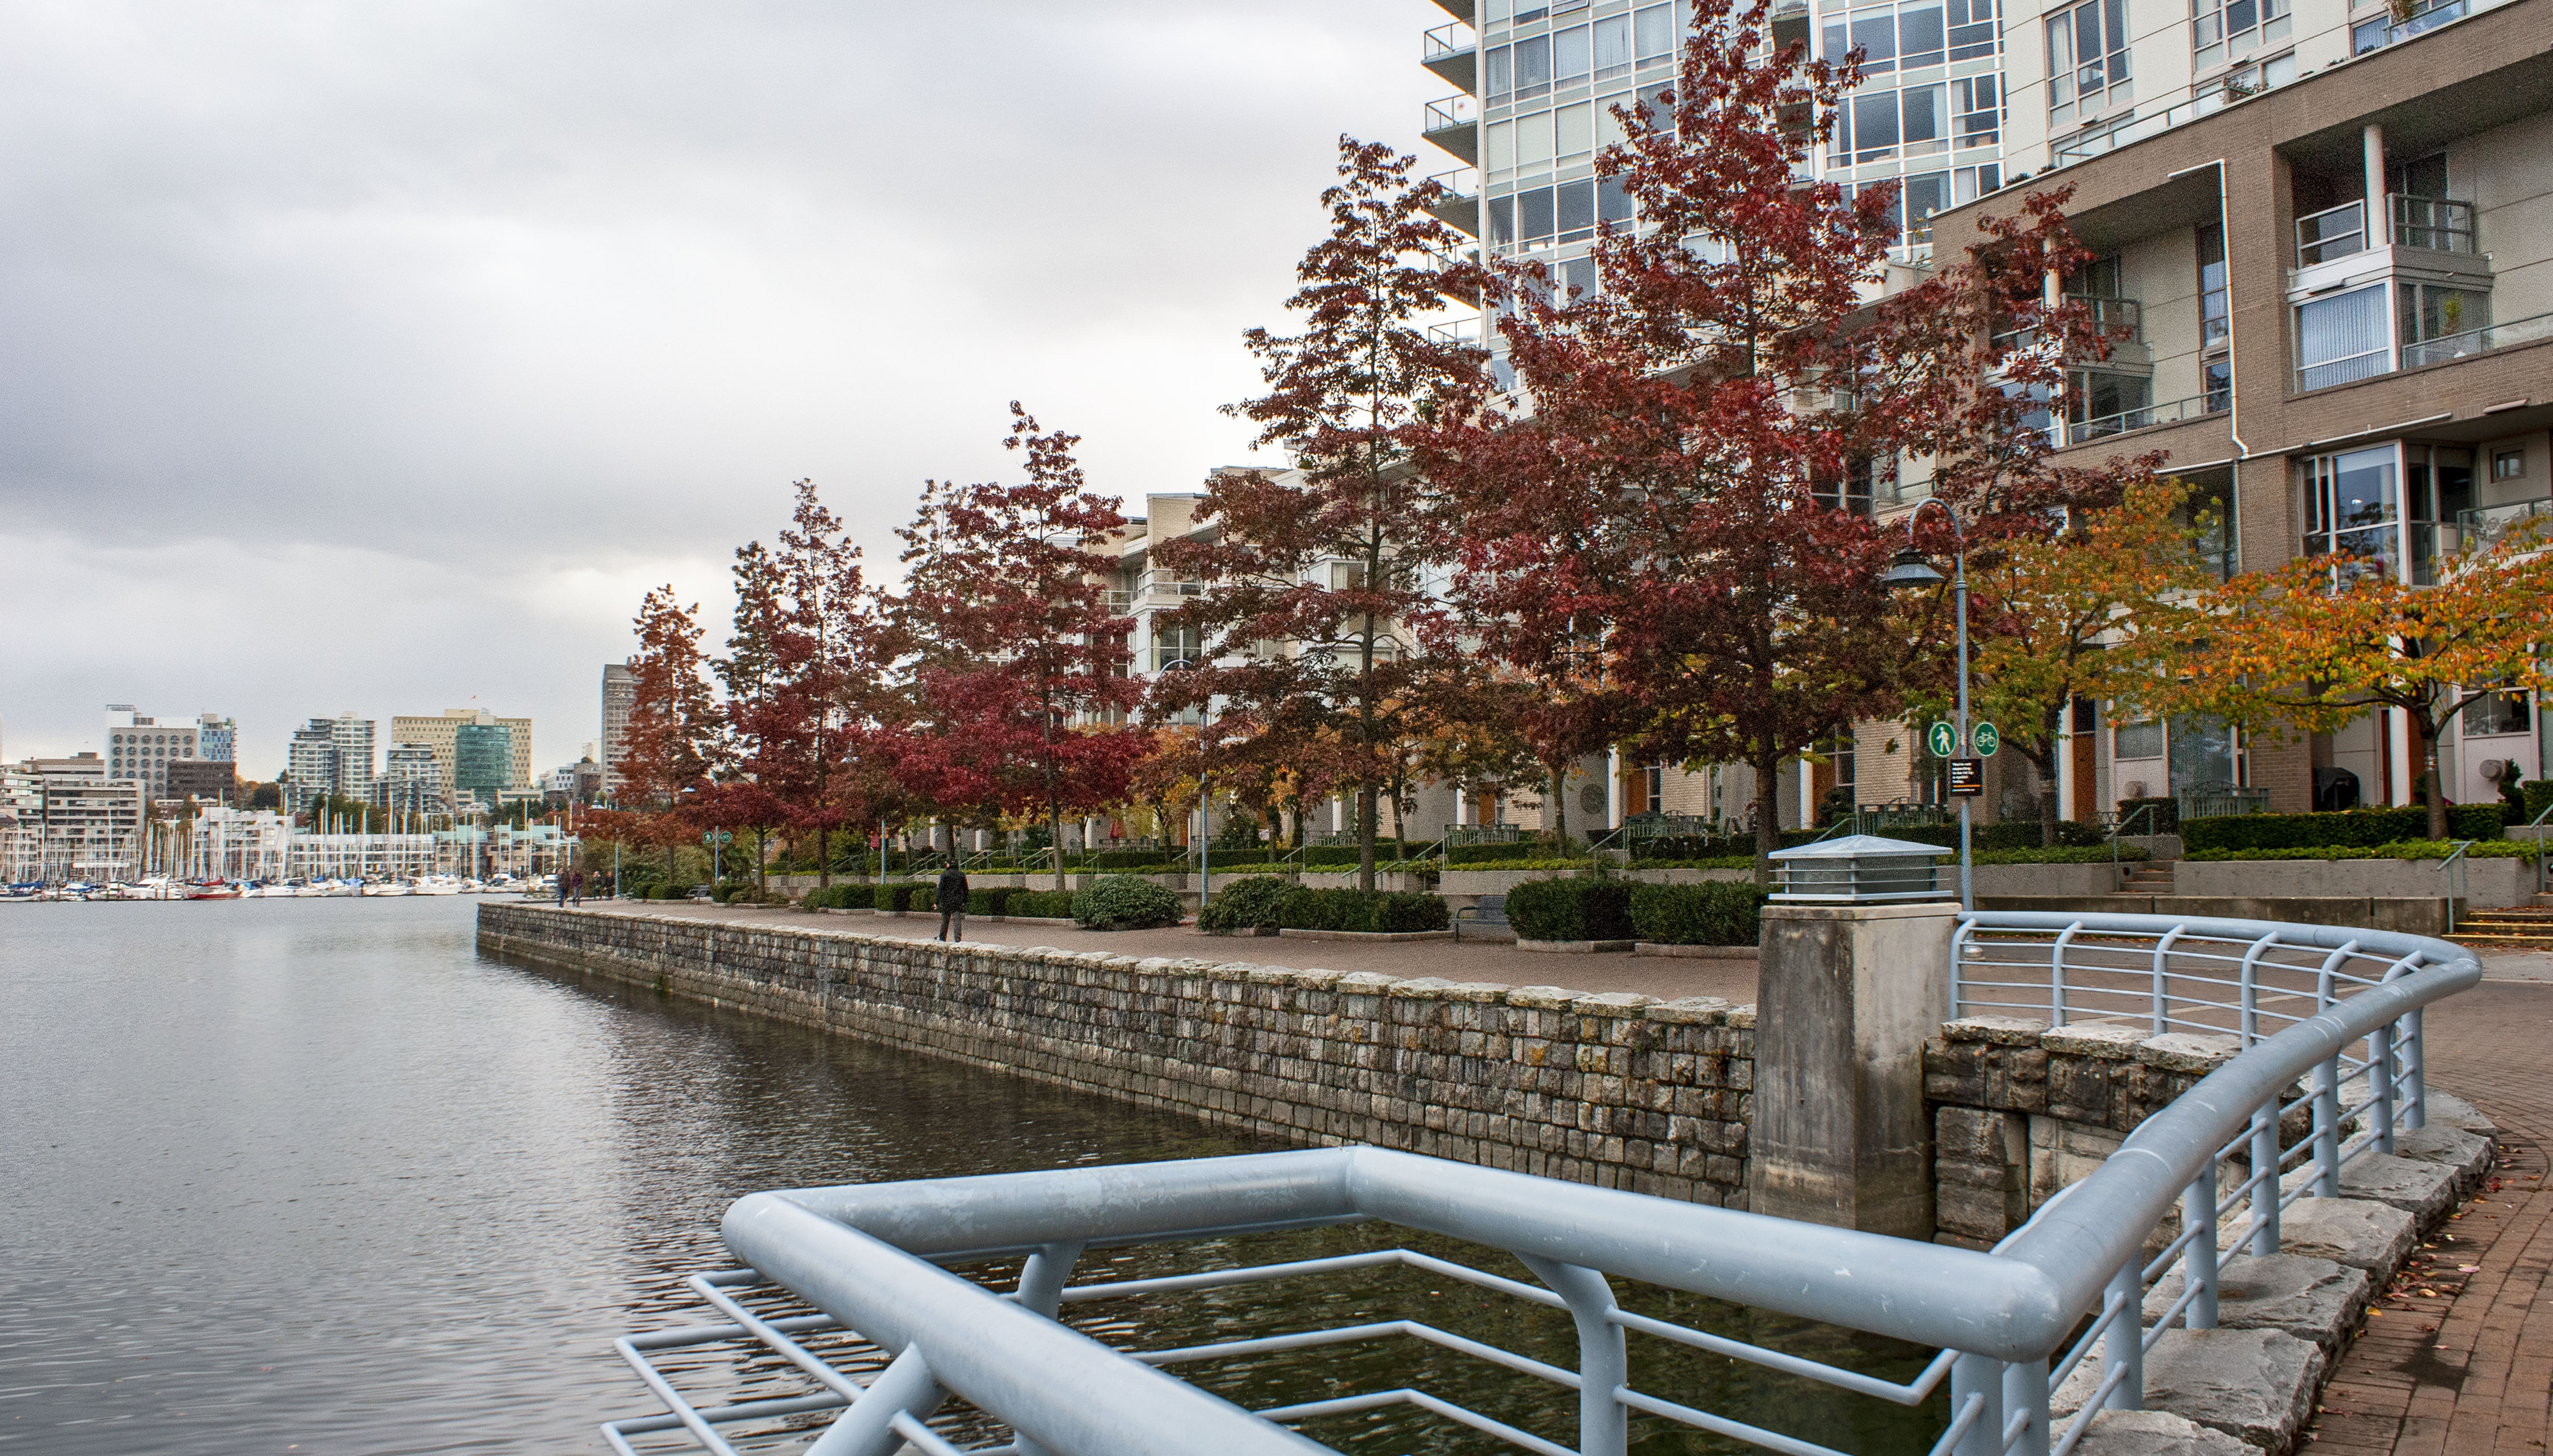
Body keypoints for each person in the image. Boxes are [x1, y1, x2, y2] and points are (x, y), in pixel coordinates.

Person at [936, 863, 969, 943]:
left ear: (948, 865)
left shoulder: (945, 875)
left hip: (946, 900)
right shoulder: (961, 875)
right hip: (957, 900)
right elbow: (965, 889)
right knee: (957, 920)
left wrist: (937, 901)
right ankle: (958, 938)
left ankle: (942, 938)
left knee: (945, 920)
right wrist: (965, 900)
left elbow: (940, 889)